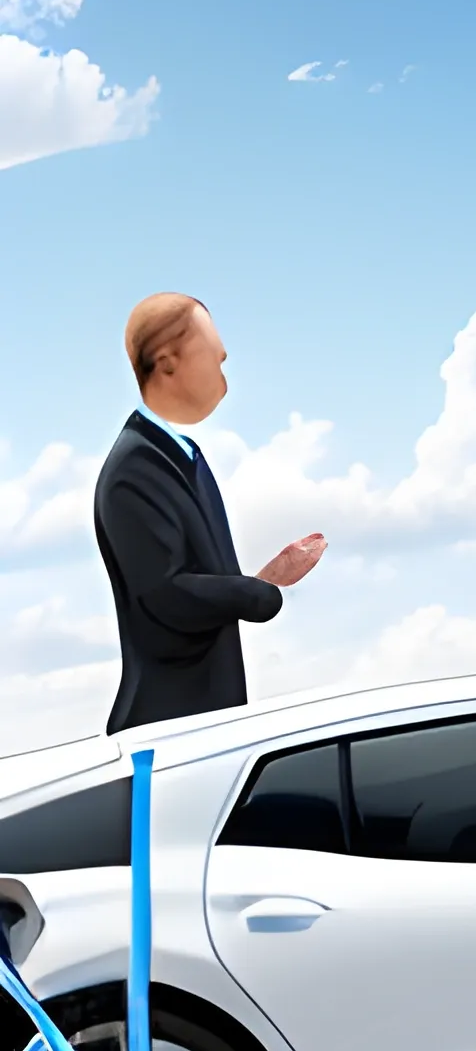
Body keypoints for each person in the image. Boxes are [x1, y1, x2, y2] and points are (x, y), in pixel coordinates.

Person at [95, 295, 326, 734]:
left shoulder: (182, 456)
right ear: (166, 364)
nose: (224, 377)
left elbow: (199, 583)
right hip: (165, 732)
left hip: (204, 727)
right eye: (215, 361)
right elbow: (168, 595)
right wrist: (260, 596)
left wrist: (268, 577)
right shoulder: (134, 471)